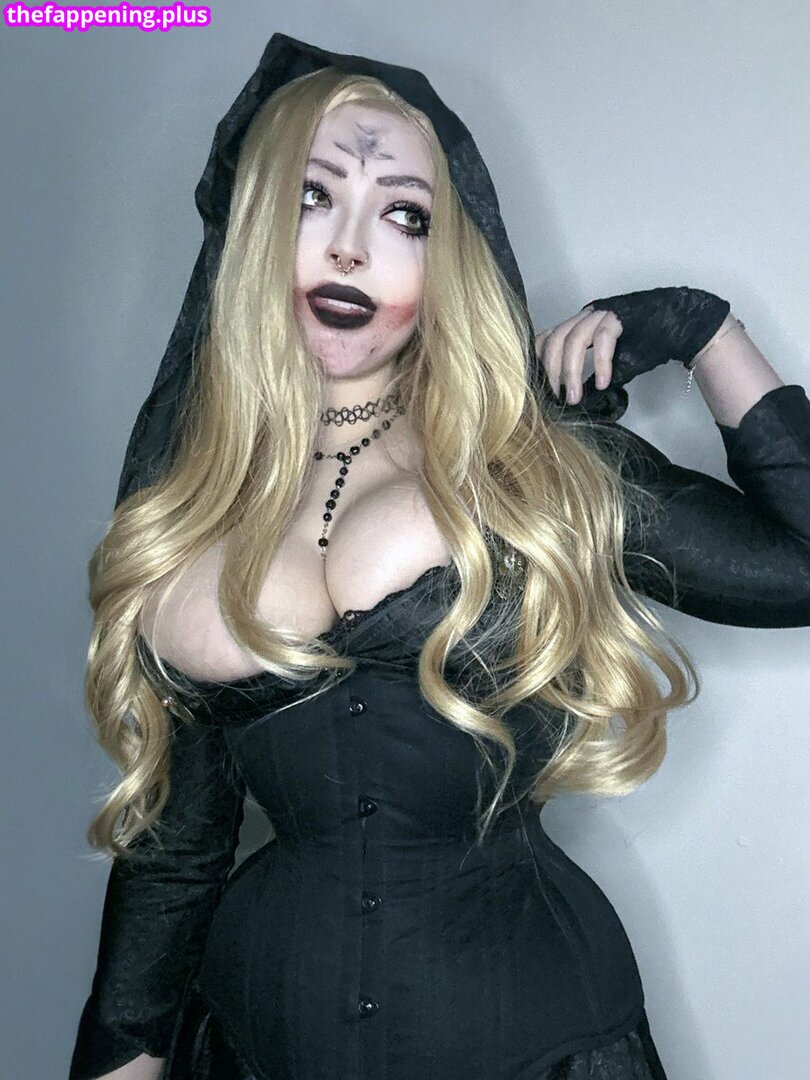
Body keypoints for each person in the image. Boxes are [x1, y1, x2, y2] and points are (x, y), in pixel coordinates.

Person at [68, 31, 810, 1080]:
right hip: (248, 1043)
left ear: (447, 255)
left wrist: (703, 330)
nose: (350, 249)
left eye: (403, 215)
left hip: (540, 1039)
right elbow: (174, 856)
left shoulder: (535, 467)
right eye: (313, 198)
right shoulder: (188, 506)